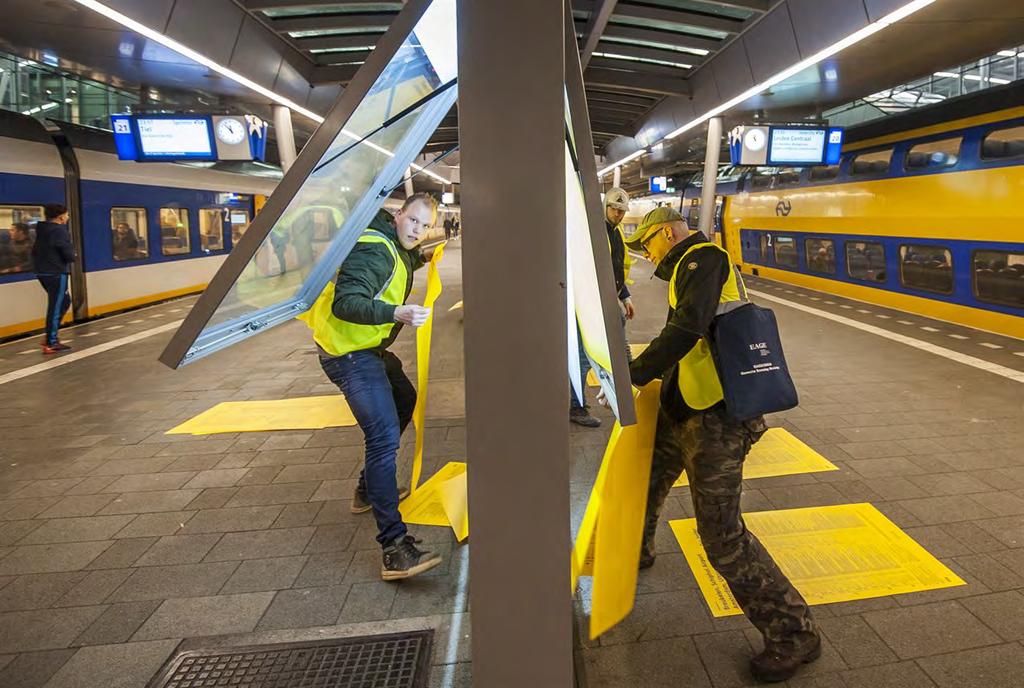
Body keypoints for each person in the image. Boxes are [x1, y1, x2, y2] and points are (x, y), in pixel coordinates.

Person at [622, 207, 820, 683]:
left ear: (667, 233)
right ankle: (636, 551)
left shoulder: (703, 258)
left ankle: (794, 633)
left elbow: (688, 329)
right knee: (647, 477)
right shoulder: (688, 267)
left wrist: (634, 371)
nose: (649, 257)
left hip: (718, 420)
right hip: (687, 410)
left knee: (722, 536)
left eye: (648, 245)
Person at [300, 192, 442, 581]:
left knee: (405, 398)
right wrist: (396, 312)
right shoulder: (375, 250)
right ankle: (394, 549)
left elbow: (405, 257)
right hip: (349, 354)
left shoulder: (392, 242)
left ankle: (367, 490)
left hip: (367, 349)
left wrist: (426, 256)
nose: (417, 231)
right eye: (413, 221)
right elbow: (346, 303)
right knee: (381, 440)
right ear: (399, 215)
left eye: (425, 226)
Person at [569, 187, 635, 428]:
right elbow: (590, 271)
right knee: (583, 357)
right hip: (588, 304)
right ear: (605, 206)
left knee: (611, 350)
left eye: (621, 211)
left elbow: (616, 268)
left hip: (604, 302)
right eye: (614, 209)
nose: (618, 214)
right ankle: (575, 407)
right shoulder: (595, 233)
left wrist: (624, 295)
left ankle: (626, 394)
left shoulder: (614, 234)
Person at [32, 205, 76, 354]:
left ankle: (51, 335)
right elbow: (67, 253)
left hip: (43, 272)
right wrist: (73, 255)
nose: (68, 217)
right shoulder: (59, 230)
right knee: (56, 306)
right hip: (56, 272)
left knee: (64, 301)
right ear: (60, 217)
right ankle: (51, 342)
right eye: (67, 215)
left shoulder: (42, 230)